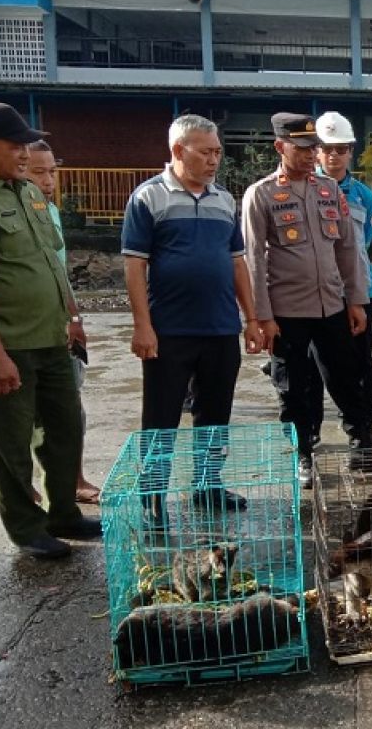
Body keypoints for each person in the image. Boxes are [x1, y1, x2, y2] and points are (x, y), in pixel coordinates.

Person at [0, 101, 100, 559]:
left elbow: (52, 260)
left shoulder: (26, 193)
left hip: (52, 336)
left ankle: (63, 513)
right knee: (12, 440)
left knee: (64, 428)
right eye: (15, 145)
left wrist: (73, 316)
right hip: (8, 343)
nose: (25, 153)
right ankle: (26, 529)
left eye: (27, 143)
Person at [122, 114, 262, 518]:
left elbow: (237, 263)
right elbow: (134, 265)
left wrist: (250, 319)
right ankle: (153, 499)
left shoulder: (224, 200)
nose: (214, 160)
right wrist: (142, 325)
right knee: (161, 419)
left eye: (218, 152)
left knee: (215, 416)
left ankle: (208, 485)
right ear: (178, 151)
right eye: (206, 152)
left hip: (220, 328)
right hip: (169, 332)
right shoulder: (148, 197)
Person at [243, 113, 372, 489]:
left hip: (332, 306)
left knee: (347, 374)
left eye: (313, 148)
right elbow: (253, 258)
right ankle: (303, 450)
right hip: (287, 312)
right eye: (302, 148)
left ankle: (362, 442)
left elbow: (348, 249)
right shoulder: (262, 194)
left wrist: (355, 300)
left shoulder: (328, 191)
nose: (309, 155)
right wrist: (260, 317)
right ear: (279, 147)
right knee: (294, 385)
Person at [277, 110, 372, 447]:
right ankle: (309, 434)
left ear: (351, 151)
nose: (333, 155)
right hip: (308, 297)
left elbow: (359, 244)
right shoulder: (285, 191)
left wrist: (355, 293)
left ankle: (362, 430)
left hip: (356, 292)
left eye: (341, 149)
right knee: (308, 373)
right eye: (326, 148)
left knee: (357, 367)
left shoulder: (362, 195)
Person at [25, 139, 101, 505]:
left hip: (60, 323)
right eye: (38, 172)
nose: (49, 180)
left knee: (70, 405)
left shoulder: (48, 211)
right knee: (22, 413)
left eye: (52, 171)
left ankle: (74, 478)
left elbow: (59, 271)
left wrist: (74, 317)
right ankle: (26, 485)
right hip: (20, 330)